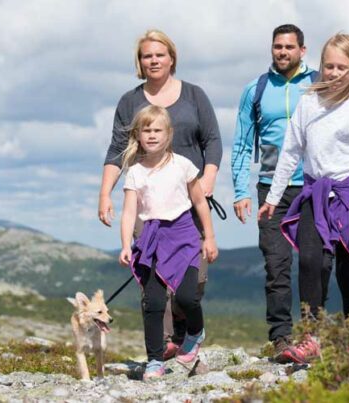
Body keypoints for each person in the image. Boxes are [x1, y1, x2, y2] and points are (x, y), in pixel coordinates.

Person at [258, 33, 349, 364]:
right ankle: (312, 338)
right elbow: (290, 151)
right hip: (314, 193)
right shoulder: (309, 102)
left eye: (342, 67)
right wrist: (274, 196)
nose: (334, 73)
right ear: (321, 66)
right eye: (329, 66)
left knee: (347, 269)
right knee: (311, 261)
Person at [99, 30, 222, 359]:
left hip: (191, 200)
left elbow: (212, 140)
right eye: (146, 56)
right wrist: (105, 194)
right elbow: (116, 150)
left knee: (191, 285)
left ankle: (184, 334)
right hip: (147, 204)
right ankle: (163, 345)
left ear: (172, 58)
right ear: (139, 62)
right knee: (154, 284)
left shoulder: (194, 95)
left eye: (159, 54)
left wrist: (208, 177)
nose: (152, 60)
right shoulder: (130, 101)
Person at [230, 24, 318, 362]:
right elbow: (241, 144)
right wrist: (241, 191)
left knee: (312, 263)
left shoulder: (317, 84)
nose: (282, 52)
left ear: (302, 50)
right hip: (270, 190)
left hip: (311, 185)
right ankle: (282, 338)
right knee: (276, 264)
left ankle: (313, 334)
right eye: (277, 47)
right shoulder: (256, 89)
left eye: (289, 47)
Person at [119, 105, 219, 379]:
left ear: (169, 134)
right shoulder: (135, 172)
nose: (151, 135)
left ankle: (196, 331)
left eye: (157, 130)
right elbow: (129, 212)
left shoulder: (183, 165)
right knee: (152, 302)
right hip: (151, 240)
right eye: (146, 130)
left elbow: (200, 202)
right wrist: (127, 244)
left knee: (187, 297)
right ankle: (154, 360)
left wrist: (208, 238)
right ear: (138, 135)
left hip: (185, 237)